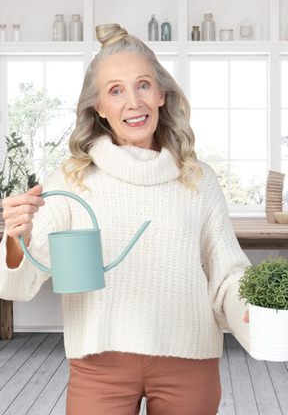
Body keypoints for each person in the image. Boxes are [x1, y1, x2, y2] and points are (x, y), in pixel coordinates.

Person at [0, 24, 250, 415]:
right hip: (99, 362)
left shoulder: (198, 179)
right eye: (115, 90)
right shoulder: (72, 179)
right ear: (98, 107)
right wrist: (19, 235)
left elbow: (226, 276)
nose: (133, 101)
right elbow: (20, 281)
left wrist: (254, 310)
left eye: (143, 85)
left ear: (162, 94)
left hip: (189, 359)